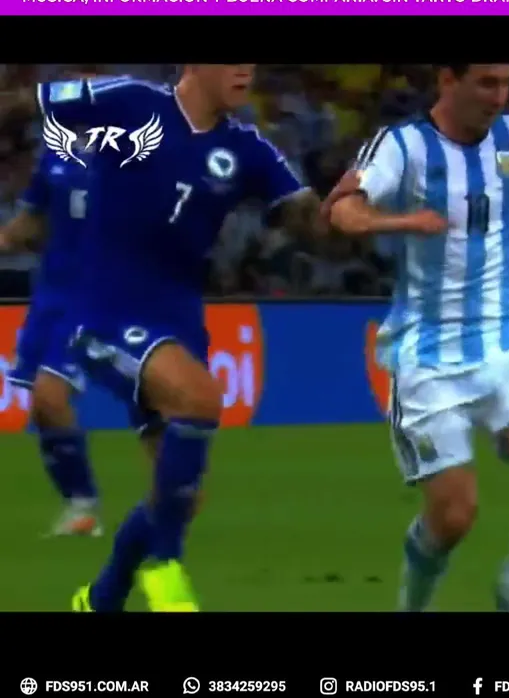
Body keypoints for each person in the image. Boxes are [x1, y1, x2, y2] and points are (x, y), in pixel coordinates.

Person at [10, 66, 319, 611]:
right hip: (103, 306)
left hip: (177, 321)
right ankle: (164, 566)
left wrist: (338, 211)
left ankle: (100, 598)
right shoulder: (130, 102)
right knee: (200, 399)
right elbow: (24, 102)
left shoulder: (247, 148)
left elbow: (306, 219)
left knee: (180, 496)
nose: (246, 70)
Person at [326, 64, 509, 612]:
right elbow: (342, 210)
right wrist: (399, 222)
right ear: (449, 80)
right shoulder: (403, 146)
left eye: (505, 82)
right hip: (427, 351)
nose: (499, 96)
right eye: (486, 82)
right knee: (453, 517)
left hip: (505, 335)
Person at [0, 143, 99, 537]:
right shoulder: (54, 158)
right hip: (50, 295)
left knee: (50, 394)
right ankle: (78, 505)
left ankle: (85, 504)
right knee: (41, 408)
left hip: (95, 296)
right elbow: (29, 224)